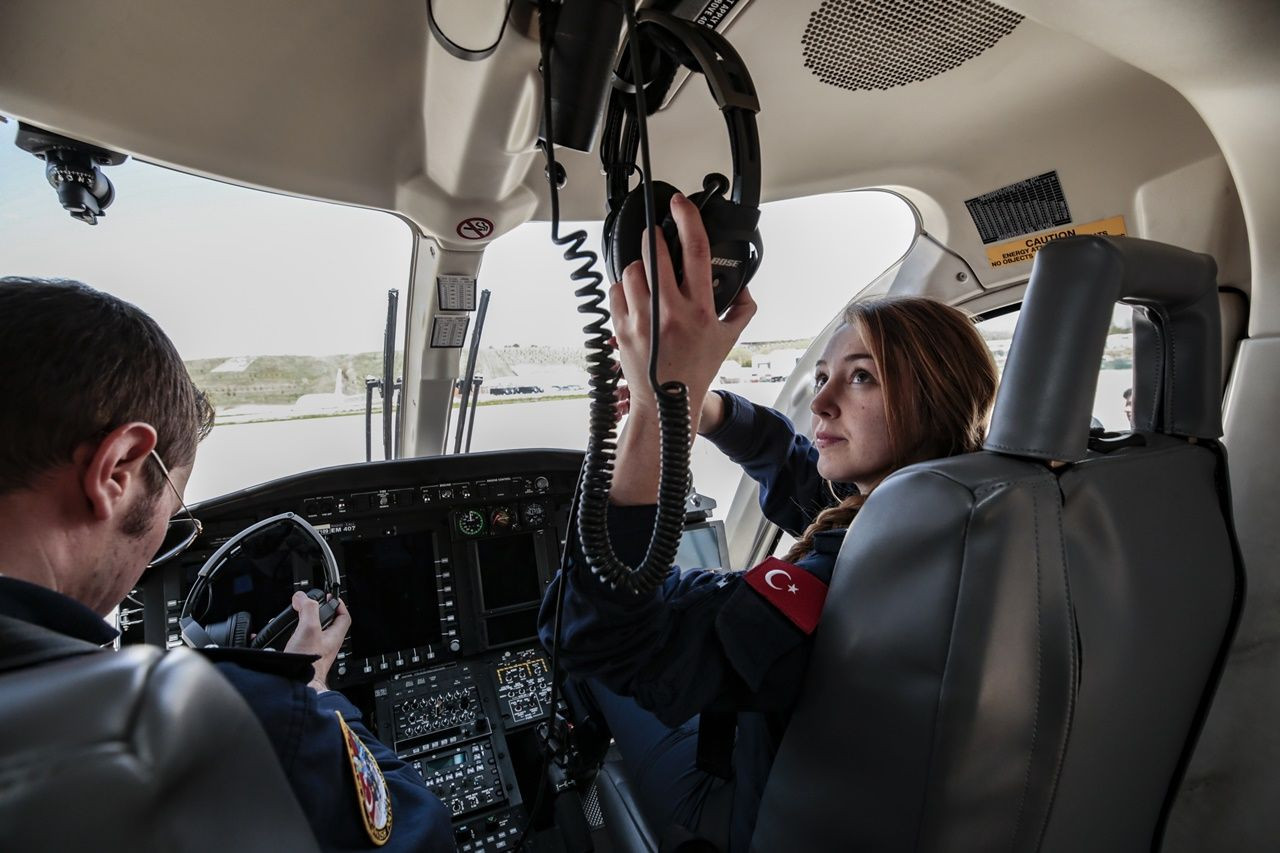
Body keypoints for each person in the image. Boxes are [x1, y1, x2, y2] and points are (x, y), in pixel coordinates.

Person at [538, 194, 999, 851]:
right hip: (865, 787)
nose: (822, 399)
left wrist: (656, 406)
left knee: (584, 668)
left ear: (936, 396)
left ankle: (570, 783)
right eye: (822, 375)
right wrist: (709, 410)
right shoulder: (950, 505)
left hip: (750, 805)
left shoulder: (859, 573)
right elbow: (803, 472)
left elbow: (586, 631)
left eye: (861, 377)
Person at [0, 277, 452, 851]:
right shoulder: (223, 719)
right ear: (116, 471)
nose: (160, 541)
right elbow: (425, 831)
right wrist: (311, 693)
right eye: (174, 505)